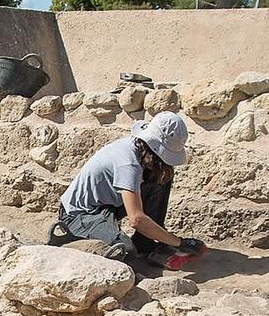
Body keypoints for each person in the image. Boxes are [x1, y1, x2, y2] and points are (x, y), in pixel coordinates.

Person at [51, 111, 206, 272]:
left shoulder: (140, 151)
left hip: (107, 206)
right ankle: (70, 242)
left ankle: (145, 245)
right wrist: (179, 242)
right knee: (124, 250)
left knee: (162, 177)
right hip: (78, 216)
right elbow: (137, 220)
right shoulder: (128, 164)